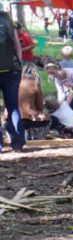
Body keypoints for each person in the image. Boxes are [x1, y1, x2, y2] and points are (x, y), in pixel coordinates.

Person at [0, 12, 25, 152]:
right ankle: (18, 143)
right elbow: (17, 45)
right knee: (13, 108)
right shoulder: (10, 23)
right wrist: (19, 63)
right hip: (12, 70)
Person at [18, 63, 50, 141]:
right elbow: (40, 106)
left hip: (9, 120)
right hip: (30, 119)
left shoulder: (13, 82)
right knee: (53, 120)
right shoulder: (35, 83)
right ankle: (32, 135)